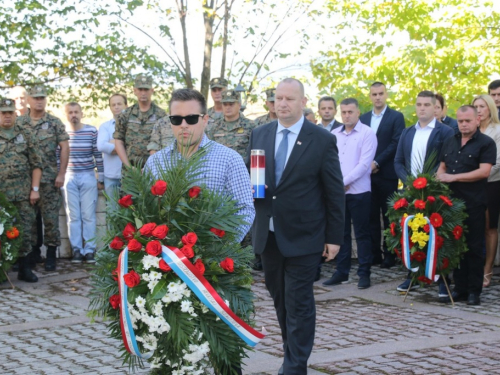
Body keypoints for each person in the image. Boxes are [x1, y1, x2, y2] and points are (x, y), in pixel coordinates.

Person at [246, 78, 345, 374]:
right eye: (278, 98)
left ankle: (294, 365)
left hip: (305, 235)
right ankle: (293, 355)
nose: (283, 104)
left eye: (290, 98)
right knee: (280, 300)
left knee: (299, 301)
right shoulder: (259, 134)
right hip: (269, 234)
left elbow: (334, 191)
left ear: (303, 102)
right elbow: (256, 181)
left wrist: (334, 237)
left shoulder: (321, 139)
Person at [145, 88, 254, 242]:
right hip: (164, 258)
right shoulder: (155, 162)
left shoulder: (230, 160)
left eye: (191, 119)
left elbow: (244, 209)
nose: (183, 125)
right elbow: (145, 208)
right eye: (176, 119)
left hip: (213, 258)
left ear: (205, 120)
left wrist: (221, 249)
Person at [394, 91, 454, 293]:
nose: (422, 108)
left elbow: (446, 162)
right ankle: (412, 276)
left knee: (437, 235)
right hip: (411, 192)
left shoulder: (445, 132)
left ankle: (441, 280)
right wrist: (409, 182)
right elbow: (398, 161)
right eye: (419, 104)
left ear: (435, 107)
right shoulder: (407, 132)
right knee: (412, 233)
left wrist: (428, 183)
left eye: (427, 105)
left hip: (434, 191)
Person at [437, 105, 496, 305]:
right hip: (451, 204)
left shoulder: (486, 143)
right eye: (460, 121)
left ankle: (474, 291)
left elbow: (484, 172)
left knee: (474, 247)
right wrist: (440, 178)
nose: (463, 124)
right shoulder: (449, 141)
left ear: (477, 120)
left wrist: (453, 178)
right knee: (455, 247)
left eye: (468, 121)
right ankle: (459, 289)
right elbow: (442, 167)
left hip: (474, 203)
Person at [16, 84, 69, 272]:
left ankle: (52, 255)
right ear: (28, 100)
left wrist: (62, 173)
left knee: (50, 219)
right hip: (24, 181)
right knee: (27, 220)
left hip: (49, 179)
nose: (39, 101)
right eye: (35, 98)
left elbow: (64, 147)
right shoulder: (19, 122)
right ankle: (29, 255)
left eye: (42, 98)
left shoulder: (54, 122)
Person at [324, 98, 377, 289]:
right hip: (339, 193)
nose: (346, 115)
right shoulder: (334, 134)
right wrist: (336, 184)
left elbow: (364, 164)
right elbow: (329, 161)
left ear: (358, 112)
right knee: (341, 233)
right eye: (344, 112)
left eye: (350, 112)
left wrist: (342, 182)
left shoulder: (367, 133)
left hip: (359, 192)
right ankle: (342, 272)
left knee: (362, 233)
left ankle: (364, 273)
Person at [359, 82, 405, 268]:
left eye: (380, 93)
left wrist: (376, 162)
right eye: (374, 94)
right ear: (369, 96)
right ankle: (374, 254)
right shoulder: (363, 118)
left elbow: (396, 143)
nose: (377, 97)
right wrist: (367, 165)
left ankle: (389, 255)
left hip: (387, 174)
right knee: (370, 216)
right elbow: (361, 143)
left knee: (389, 217)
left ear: (386, 95)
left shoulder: (396, 117)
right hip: (367, 175)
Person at [0, 97, 42, 282]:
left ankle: (25, 269)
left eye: (10, 112)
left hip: (23, 193)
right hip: (2, 195)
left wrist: (35, 189)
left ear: (15, 114)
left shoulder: (26, 134)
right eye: (3, 113)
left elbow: (36, 164)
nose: (7, 116)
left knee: (25, 230)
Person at [61, 102, 104, 264]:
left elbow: (97, 155)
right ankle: (77, 250)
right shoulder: (63, 133)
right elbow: (59, 158)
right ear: (66, 115)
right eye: (70, 112)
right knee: (73, 216)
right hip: (69, 176)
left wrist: (101, 177)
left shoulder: (91, 131)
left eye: (76, 112)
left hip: (87, 175)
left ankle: (90, 250)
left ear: (81, 113)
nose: (74, 115)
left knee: (88, 215)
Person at [471, 94, 500, 287]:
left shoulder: (497, 131)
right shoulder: (470, 130)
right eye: (476, 107)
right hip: (470, 185)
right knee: (473, 227)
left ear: (490, 108)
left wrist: (477, 175)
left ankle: (487, 269)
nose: (479, 110)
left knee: (489, 228)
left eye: (482, 106)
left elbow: (497, 163)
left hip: (490, 184)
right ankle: (472, 267)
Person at [114, 74, 167, 168]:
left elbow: (165, 143)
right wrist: (128, 167)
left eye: (146, 89)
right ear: (135, 91)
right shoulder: (126, 114)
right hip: (130, 170)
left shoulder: (161, 115)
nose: (143, 93)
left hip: (154, 169)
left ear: (152, 91)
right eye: (140, 89)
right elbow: (119, 141)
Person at [207, 89, 256, 159]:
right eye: (225, 104)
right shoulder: (214, 126)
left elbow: (256, 151)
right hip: (221, 167)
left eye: (231, 104)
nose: (227, 107)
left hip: (243, 168)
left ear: (239, 105)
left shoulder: (251, 126)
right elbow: (209, 151)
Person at [97, 94, 126, 201]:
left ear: (126, 105)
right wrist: (123, 145)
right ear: (110, 108)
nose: (116, 107)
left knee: (132, 213)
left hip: (130, 177)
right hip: (111, 176)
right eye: (113, 105)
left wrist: (112, 143)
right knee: (113, 212)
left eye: (119, 104)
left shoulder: (132, 126)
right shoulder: (105, 126)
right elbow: (101, 146)